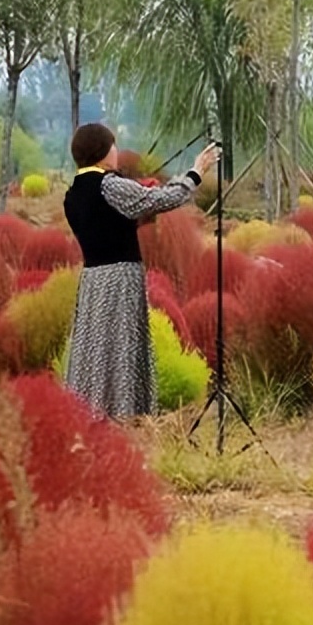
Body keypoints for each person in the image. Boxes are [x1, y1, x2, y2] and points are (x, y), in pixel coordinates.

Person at [63, 123, 220, 419]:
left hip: (93, 282)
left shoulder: (72, 194)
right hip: (120, 279)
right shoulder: (109, 184)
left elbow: (107, 225)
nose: (116, 151)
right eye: (113, 145)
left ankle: (93, 414)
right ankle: (123, 416)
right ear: (102, 151)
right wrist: (196, 173)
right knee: (121, 348)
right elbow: (160, 200)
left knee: (96, 350)